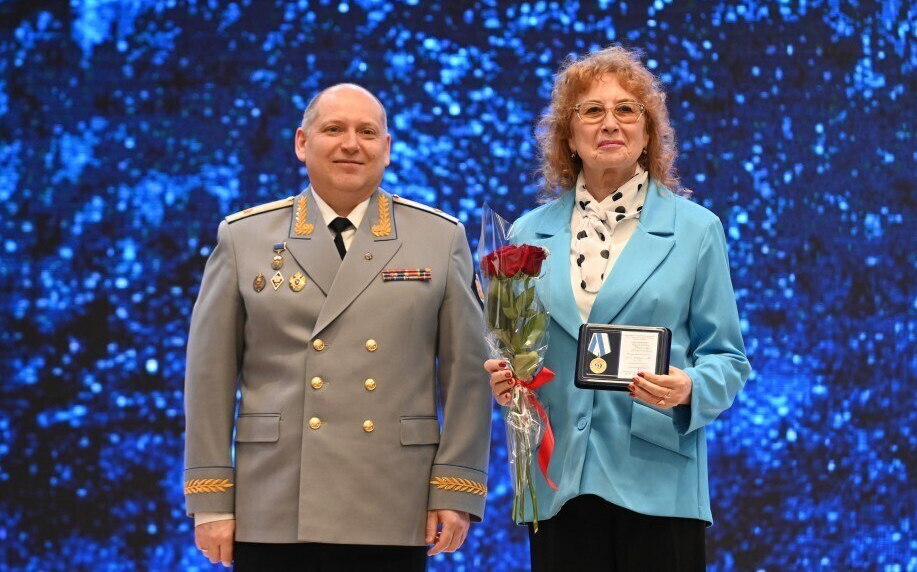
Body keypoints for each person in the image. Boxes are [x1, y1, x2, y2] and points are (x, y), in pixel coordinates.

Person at [184, 83, 492, 571]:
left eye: (367, 132)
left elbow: (469, 376)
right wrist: (211, 499)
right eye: (334, 129)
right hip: (274, 498)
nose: (351, 144)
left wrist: (456, 486)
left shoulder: (439, 237)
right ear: (302, 142)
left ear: (386, 149)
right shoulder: (244, 238)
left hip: (395, 497)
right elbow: (208, 378)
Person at [484, 46, 751, 571]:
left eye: (627, 109)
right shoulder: (526, 233)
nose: (610, 123)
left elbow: (728, 358)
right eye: (592, 110)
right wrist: (507, 379)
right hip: (558, 482)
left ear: (649, 133)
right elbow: (518, 352)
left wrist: (690, 386)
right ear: (568, 136)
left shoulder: (697, 229)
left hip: (658, 483)